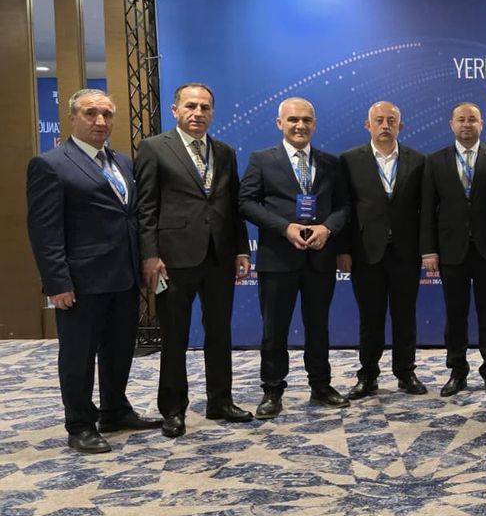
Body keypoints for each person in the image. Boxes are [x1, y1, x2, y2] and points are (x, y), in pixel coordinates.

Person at [26, 88, 161, 453]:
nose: (100, 121)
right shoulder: (51, 164)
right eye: (90, 113)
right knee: (79, 356)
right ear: (72, 117)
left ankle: (115, 410)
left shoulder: (123, 163)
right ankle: (80, 424)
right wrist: (57, 282)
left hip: (124, 277)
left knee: (119, 349)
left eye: (106, 114)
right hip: (81, 282)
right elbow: (44, 231)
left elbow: (131, 217)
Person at [135, 83, 253, 438]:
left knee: (219, 332)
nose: (198, 113)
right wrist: (150, 255)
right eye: (190, 106)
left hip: (218, 256)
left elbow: (233, 205)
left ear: (212, 113)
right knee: (175, 337)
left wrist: (241, 249)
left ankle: (220, 401)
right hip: (173, 259)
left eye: (204, 107)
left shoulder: (225, 152)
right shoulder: (154, 148)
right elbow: (145, 207)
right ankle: (173, 409)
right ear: (175, 110)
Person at [238, 97, 350, 418]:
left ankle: (321, 385)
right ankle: (272, 389)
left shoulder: (331, 163)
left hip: (320, 257)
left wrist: (328, 228)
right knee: (275, 328)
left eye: (306, 120)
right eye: (293, 120)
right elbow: (245, 202)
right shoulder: (262, 160)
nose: (300, 125)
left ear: (314, 124)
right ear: (280, 124)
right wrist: (284, 227)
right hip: (277, 258)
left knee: (318, 326)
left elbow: (344, 206)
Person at [337, 101, 428, 400]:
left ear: (401, 126)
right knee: (370, 317)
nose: (385, 125)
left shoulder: (418, 160)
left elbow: (426, 210)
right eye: (379, 120)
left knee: (405, 316)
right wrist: (343, 250)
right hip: (366, 252)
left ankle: (406, 372)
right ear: (368, 126)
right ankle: (368, 376)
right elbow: (344, 209)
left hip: (406, 252)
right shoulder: (349, 160)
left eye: (391, 120)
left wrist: (427, 249)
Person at [422, 102, 486, 397]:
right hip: (451, 250)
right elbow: (427, 209)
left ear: (481, 124)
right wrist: (429, 250)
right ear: (452, 125)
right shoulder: (435, 161)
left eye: (472, 119)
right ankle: (457, 371)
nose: (467, 124)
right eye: (461, 119)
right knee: (455, 314)